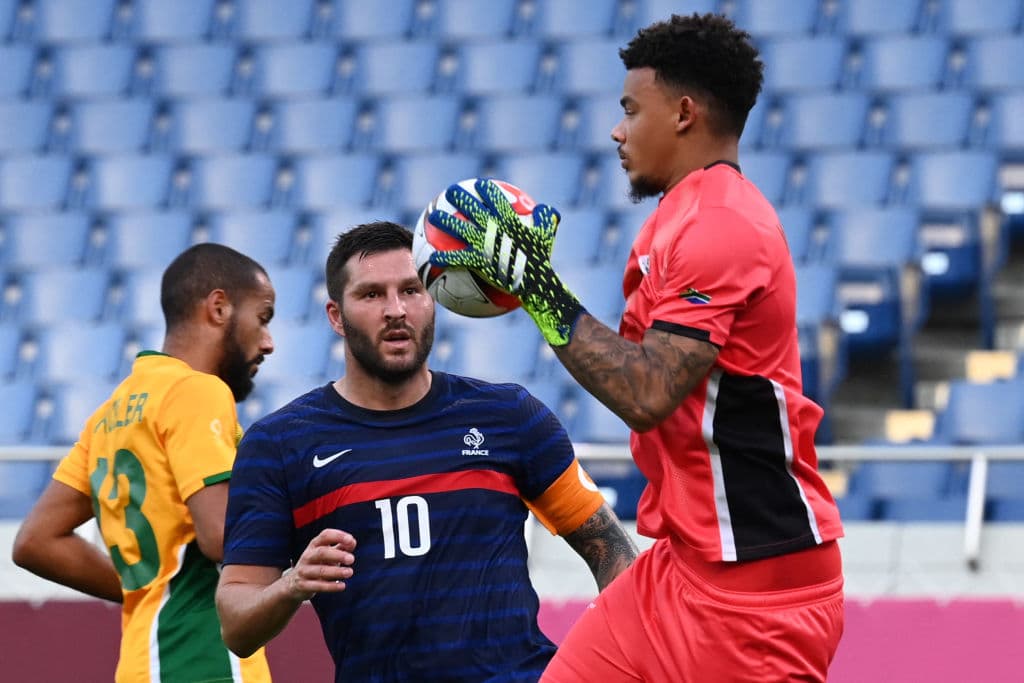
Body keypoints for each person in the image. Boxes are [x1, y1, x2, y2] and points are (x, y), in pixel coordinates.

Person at [425, 13, 846, 683]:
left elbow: (647, 393)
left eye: (630, 109)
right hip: (678, 569)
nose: (617, 131)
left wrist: (536, 286)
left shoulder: (722, 225)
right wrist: (539, 291)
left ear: (683, 113)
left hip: (758, 592)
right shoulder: (678, 220)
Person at [214, 221, 638, 682]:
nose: (396, 310)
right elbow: (236, 624)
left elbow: (612, 552)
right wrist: (291, 585)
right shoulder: (280, 444)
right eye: (372, 294)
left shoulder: (510, 416)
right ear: (336, 316)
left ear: (433, 298)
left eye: (412, 290)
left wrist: (597, 663)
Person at [12, 243, 276, 683]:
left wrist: (150, 591)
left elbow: (36, 540)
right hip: (203, 661)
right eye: (263, 318)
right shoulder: (199, 391)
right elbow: (221, 537)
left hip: (141, 661)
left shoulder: (109, 414)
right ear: (218, 308)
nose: (268, 341)